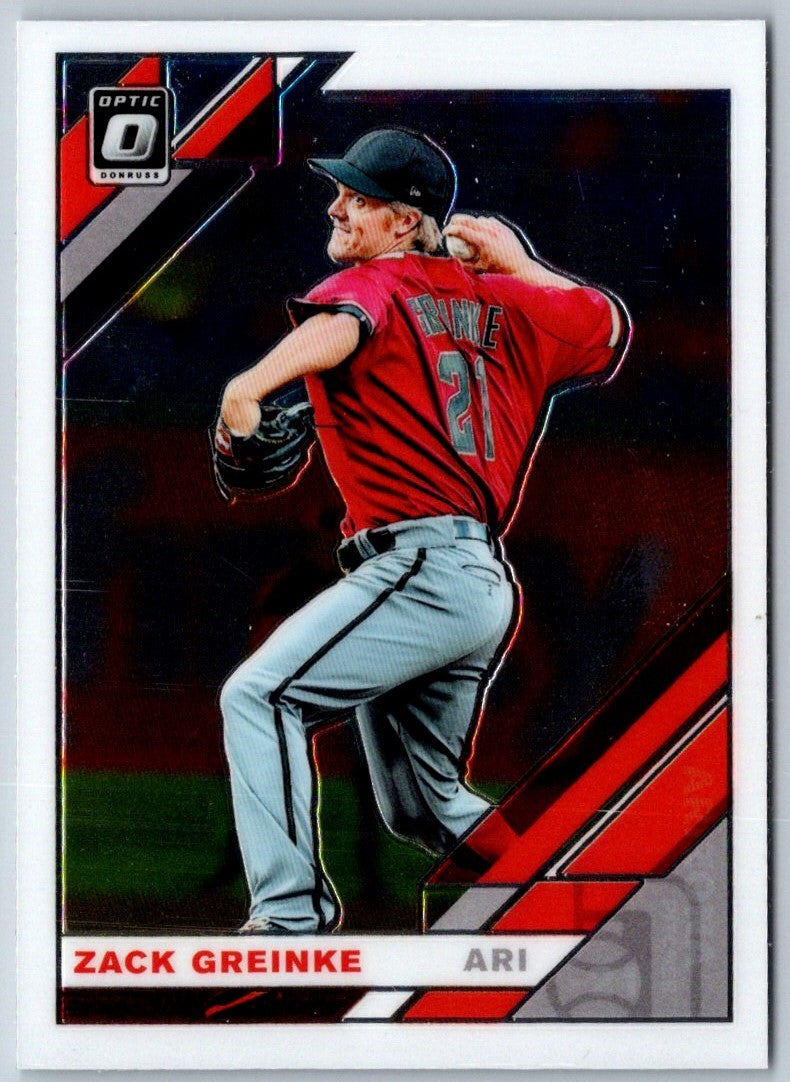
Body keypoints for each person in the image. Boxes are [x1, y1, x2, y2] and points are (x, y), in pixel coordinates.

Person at [217, 127, 626, 934]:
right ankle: (573, 906)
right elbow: (608, 326)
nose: (336, 208)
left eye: (357, 198)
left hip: (420, 568)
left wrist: (250, 385)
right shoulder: (516, 306)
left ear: (404, 222)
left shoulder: (374, 283)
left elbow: (347, 323)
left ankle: (289, 923)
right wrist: (520, 266)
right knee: (422, 804)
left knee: (259, 695)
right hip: (477, 584)